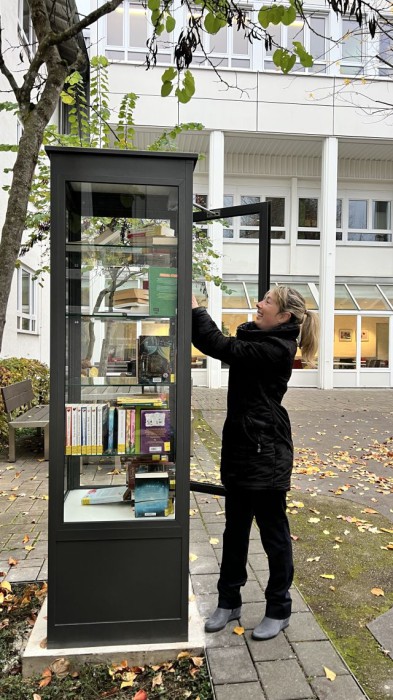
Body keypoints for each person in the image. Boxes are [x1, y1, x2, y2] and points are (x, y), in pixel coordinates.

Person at [191, 285, 319, 640]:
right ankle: (228, 601)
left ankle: (279, 609)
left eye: (267, 301)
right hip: (241, 450)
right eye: (261, 298)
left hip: (268, 454)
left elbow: (220, 346)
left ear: (284, 317)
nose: (258, 304)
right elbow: (219, 345)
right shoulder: (259, 340)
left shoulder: (277, 348)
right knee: (234, 532)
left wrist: (196, 309)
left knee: (274, 536)